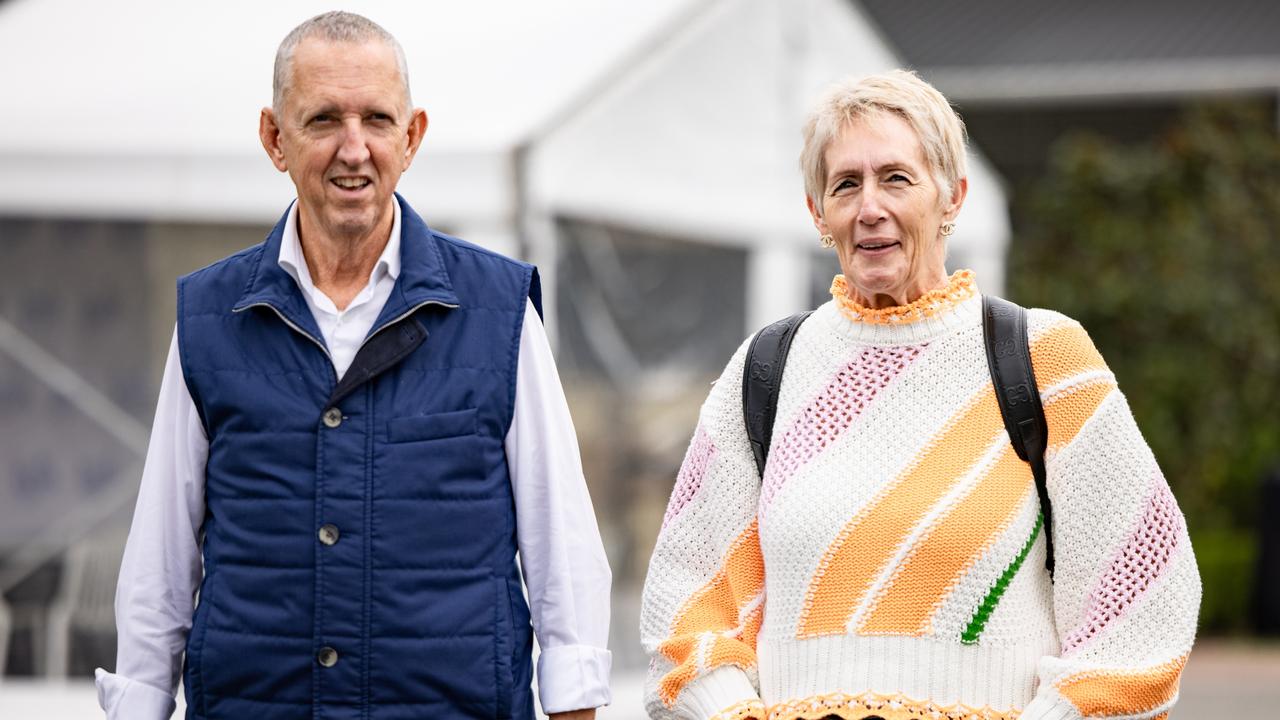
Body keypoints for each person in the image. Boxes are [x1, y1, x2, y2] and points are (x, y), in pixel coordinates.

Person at [95, 12, 611, 720]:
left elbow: (563, 545)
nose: (354, 149)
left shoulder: (499, 311)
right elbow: (160, 560)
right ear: (275, 138)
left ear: (413, 136)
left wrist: (575, 704)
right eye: (323, 120)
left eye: (377, 119)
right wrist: (140, 701)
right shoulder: (209, 317)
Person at [640, 70, 1200, 720]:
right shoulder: (766, 370)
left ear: (952, 197)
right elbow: (683, 605)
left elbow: (1144, 598)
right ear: (818, 213)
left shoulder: (1044, 358)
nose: (869, 206)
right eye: (845, 184)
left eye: (896, 178)